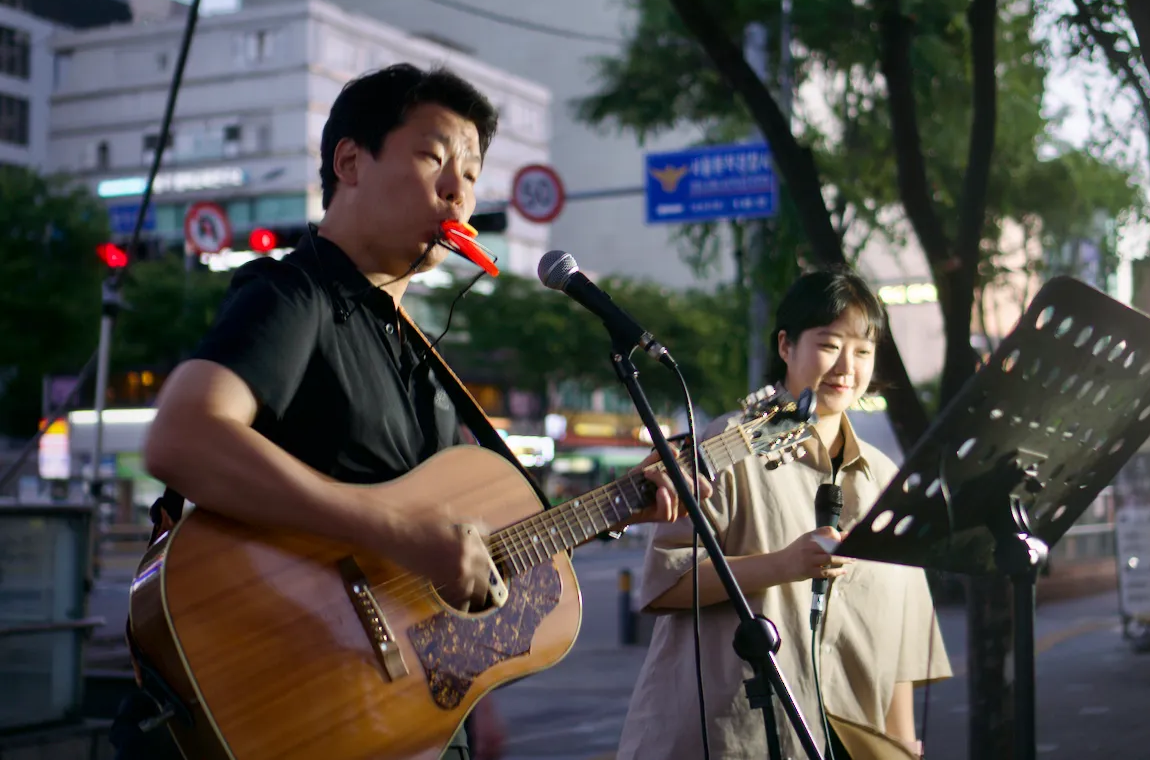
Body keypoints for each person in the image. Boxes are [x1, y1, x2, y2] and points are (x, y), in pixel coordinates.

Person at [109, 63, 708, 760]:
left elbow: (457, 556)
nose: (458, 188)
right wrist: (397, 531)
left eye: (472, 172)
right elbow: (184, 436)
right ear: (351, 162)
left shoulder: (417, 353)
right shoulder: (296, 294)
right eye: (432, 157)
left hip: (395, 718)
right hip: (292, 696)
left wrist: (622, 507)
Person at [615, 266, 951, 760]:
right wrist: (783, 565)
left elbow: (901, 631)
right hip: (732, 738)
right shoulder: (727, 445)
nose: (846, 367)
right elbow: (665, 585)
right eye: (829, 344)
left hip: (850, 739)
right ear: (785, 347)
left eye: (863, 351)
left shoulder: (885, 477)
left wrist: (900, 745)